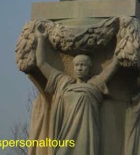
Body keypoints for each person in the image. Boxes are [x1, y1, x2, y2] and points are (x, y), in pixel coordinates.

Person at [35, 25, 119, 155]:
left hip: (88, 137)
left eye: (83, 65)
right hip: (66, 137)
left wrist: (120, 40)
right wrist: (41, 39)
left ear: (90, 68)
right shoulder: (64, 83)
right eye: (77, 65)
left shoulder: (94, 85)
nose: (79, 68)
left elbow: (114, 65)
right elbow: (41, 63)